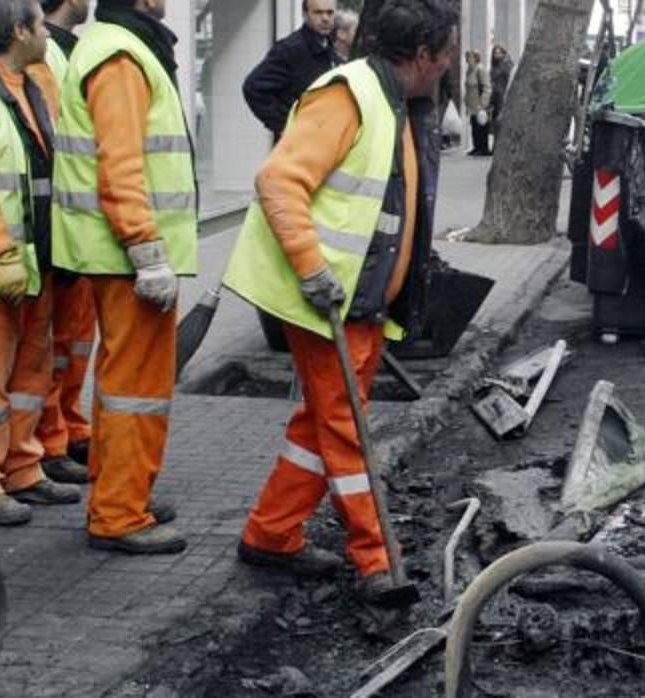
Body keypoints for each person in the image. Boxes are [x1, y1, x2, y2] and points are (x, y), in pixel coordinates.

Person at [222, 0, 458, 605]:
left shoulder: (387, 98)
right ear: (424, 55)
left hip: (358, 300)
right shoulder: (349, 94)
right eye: (448, 51)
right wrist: (312, 267)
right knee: (345, 428)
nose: (453, 62)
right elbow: (279, 180)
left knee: (319, 426)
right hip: (329, 301)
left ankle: (271, 534)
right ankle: (376, 559)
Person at [50, 0, 196, 553]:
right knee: (137, 389)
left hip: (114, 254)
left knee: (120, 387)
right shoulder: (120, 53)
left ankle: (121, 493)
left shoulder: (116, 44)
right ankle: (118, 514)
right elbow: (122, 163)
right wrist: (146, 249)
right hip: (126, 256)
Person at [0, 0, 83, 526]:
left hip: (34, 262)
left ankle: (23, 468)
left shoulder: (27, 85)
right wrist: (0, 252)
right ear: (19, 31)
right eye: (40, 24)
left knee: (30, 373)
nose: (48, 30)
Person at [33, 0, 94, 486]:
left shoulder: (75, 50)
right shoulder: (47, 55)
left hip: (81, 228)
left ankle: (69, 428)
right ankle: (52, 440)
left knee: (74, 345)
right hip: (62, 228)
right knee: (55, 347)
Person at [242, 0, 340, 141]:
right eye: (318, 12)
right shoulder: (290, 49)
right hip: (298, 143)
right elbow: (253, 87)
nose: (325, 18)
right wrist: (285, 124)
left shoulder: (329, 46)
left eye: (330, 13)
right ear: (305, 15)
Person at [464, 49, 491, 156]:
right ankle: (476, 147)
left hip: (479, 104)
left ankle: (483, 148)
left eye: (469, 57)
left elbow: (487, 87)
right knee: (474, 126)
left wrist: (483, 104)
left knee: (482, 126)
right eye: (466, 57)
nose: (467, 60)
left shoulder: (480, 69)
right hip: (472, 104)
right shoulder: (469, 70)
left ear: (475, 58)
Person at [488, 43, 513, 144]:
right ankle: (496, 144)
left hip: (503, 97)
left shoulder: (506, 65)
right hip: (495, 97)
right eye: (495, 53)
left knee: (500, 122)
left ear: (503, 53)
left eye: (499, 52)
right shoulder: (495, 66)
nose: (496, 55)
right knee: (495, 122)